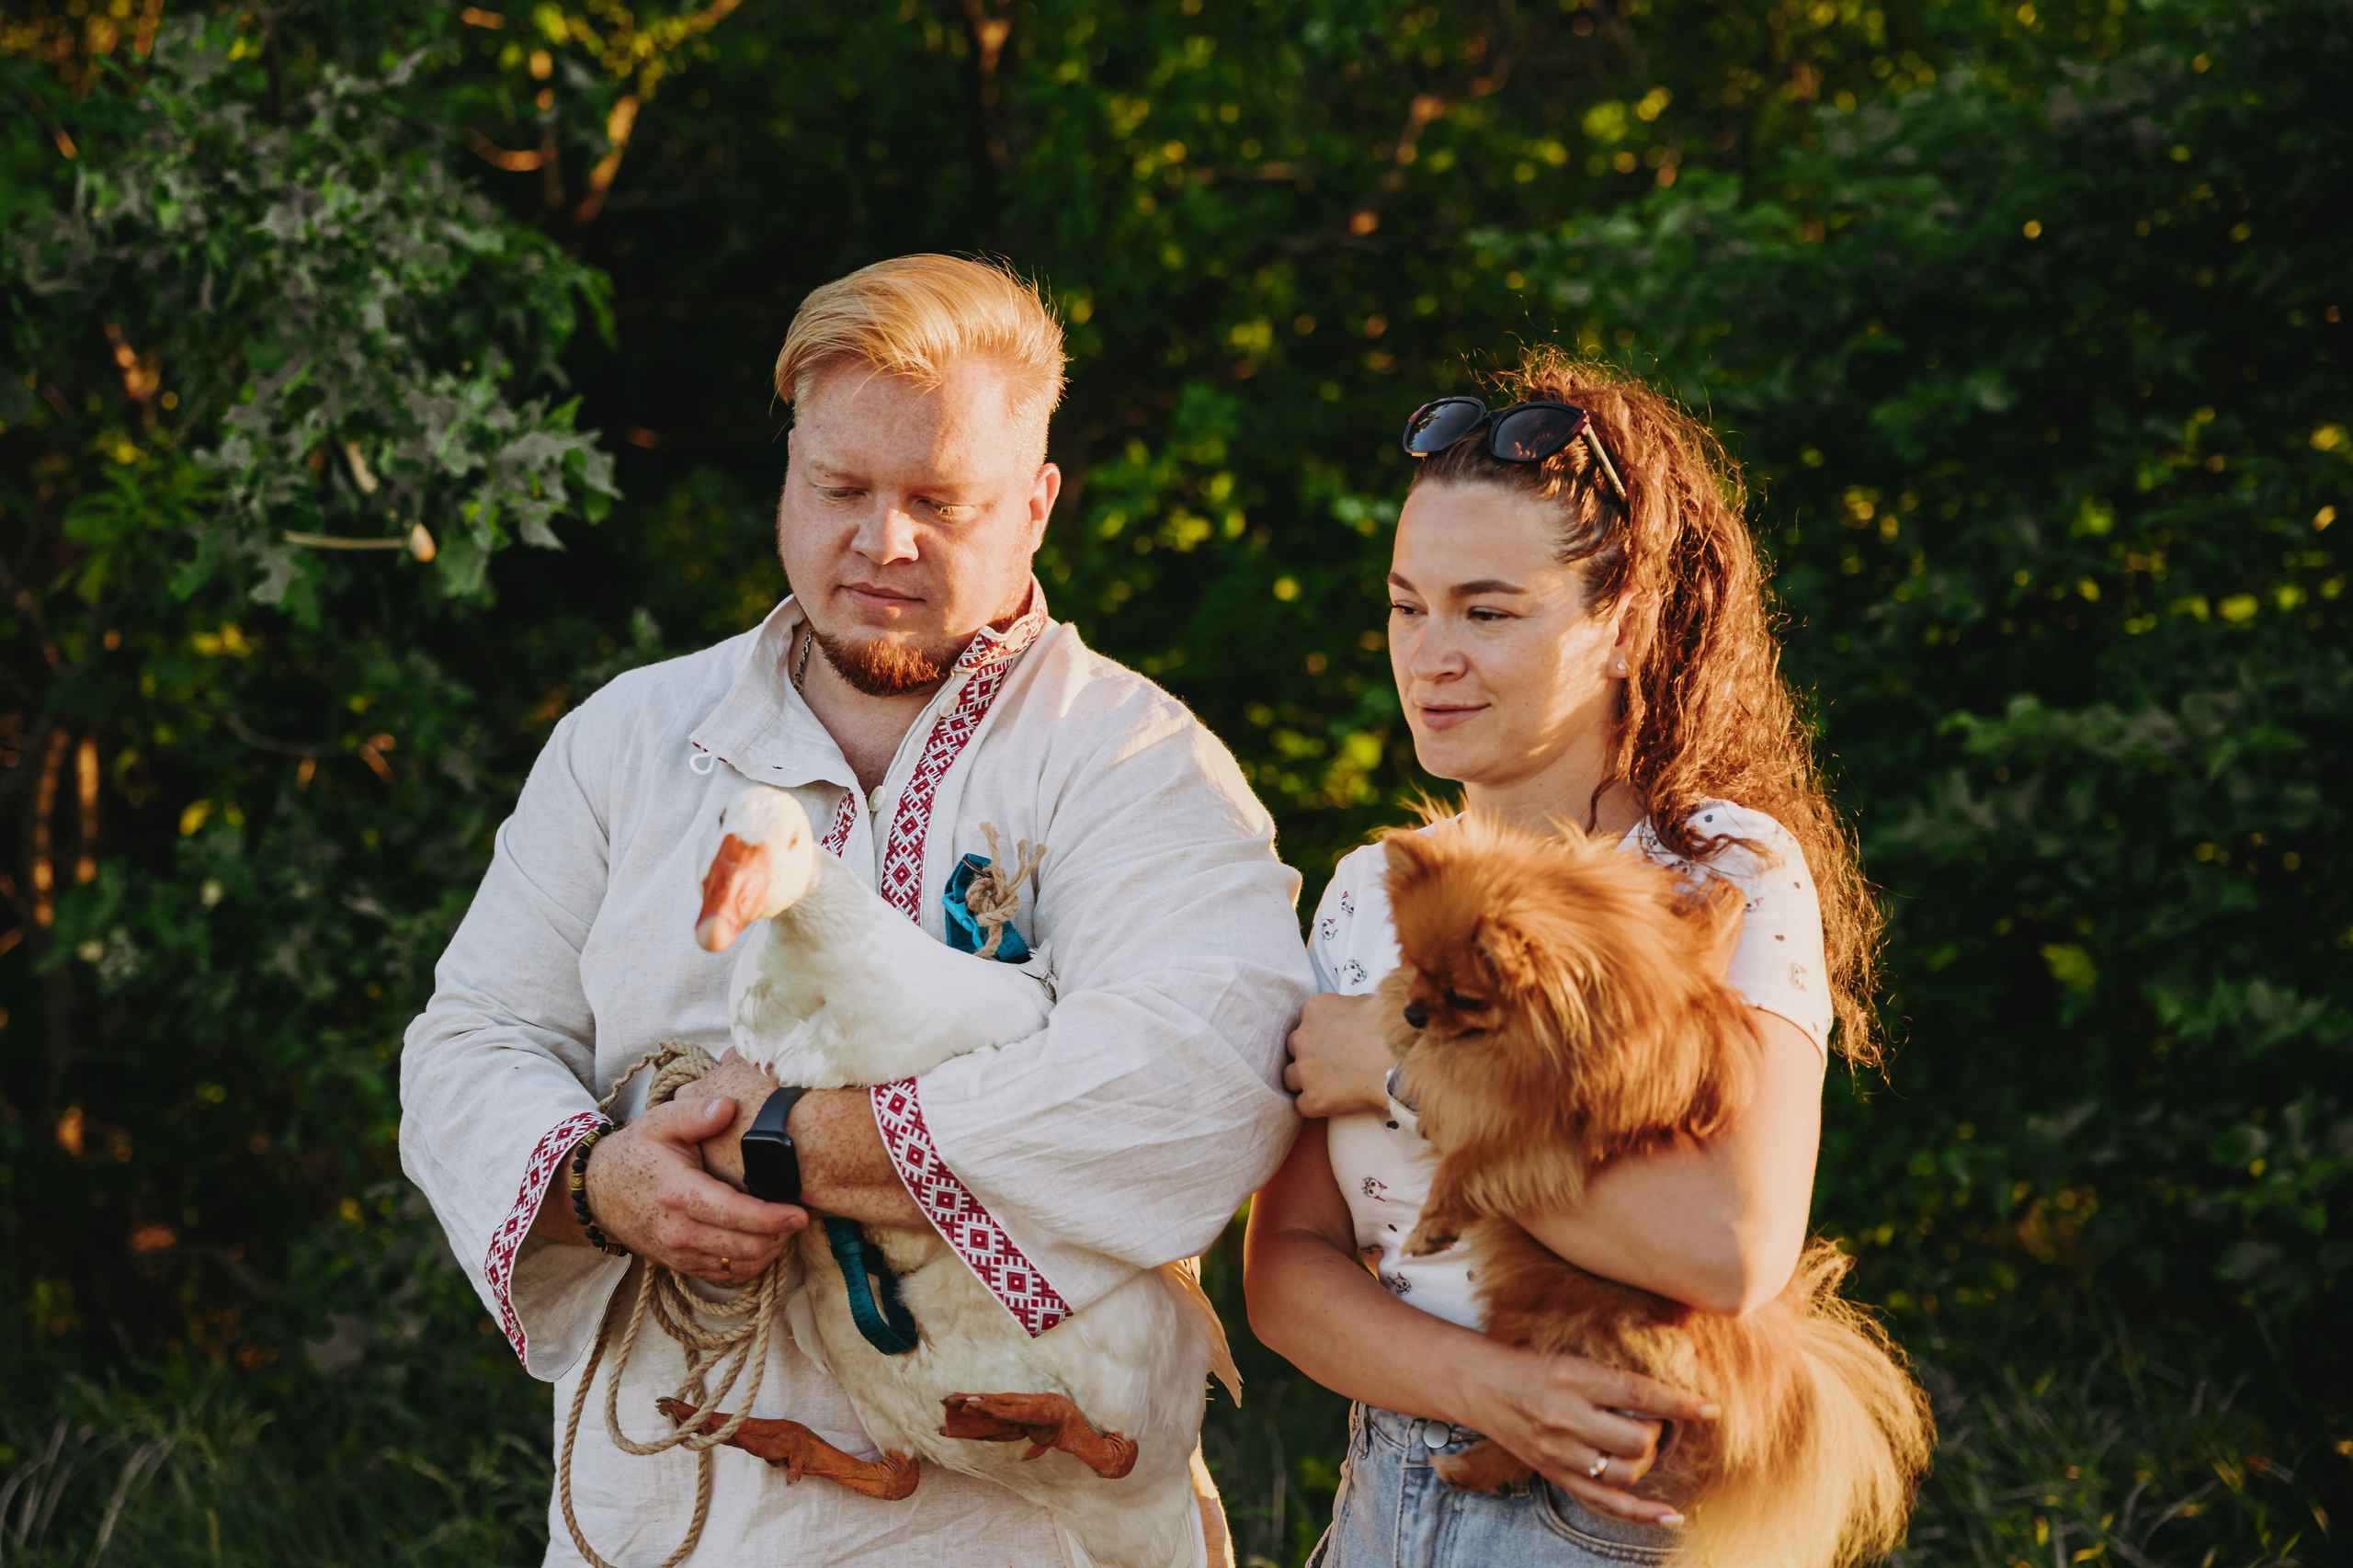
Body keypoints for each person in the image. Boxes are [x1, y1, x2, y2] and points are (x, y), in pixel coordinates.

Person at [400, 255, 1312, 1565]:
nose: (881, 540)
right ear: (788, 477)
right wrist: (602, 1185)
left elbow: (1204, 1070)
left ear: (1038, 504)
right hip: (674, 1523)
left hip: (1018, 1534)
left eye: (940, 499)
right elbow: (466, 1044)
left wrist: (784, 1145)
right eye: (840, 488)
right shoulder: (630, 741)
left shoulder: (1136, 763)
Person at [1244, 350, 1882, 1566]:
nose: (1430, 655)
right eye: (1406, 602)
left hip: (1596, 1525)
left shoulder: (1715, 876)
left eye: (1488, 610)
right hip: (1385, 1503)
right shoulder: (1375, 894)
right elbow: (1284, 1274)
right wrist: (1485, 1387)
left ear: (1626, 623)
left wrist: (1402, 1071)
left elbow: (1729, 1246)